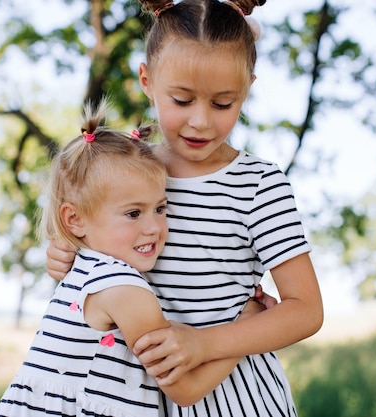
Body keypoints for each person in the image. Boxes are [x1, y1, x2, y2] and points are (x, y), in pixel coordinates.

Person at [45, 0, 324, 416]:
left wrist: (204, 343)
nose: (200, 121)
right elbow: (94, 249)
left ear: (247, 87)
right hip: (144, 399)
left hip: (240, 399)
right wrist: (65, 254)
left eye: (223, 104)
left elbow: (306, 310)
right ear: (146, 79)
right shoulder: (128, 171)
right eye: (181, 99)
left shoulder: (258, 184)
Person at [0, 101, 269, 417]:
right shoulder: (123, 288)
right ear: (74, 219)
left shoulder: (83, 268)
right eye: (133, 213)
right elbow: (185, 389)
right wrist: (247, 323)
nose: (153, 227)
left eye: (160, 209)